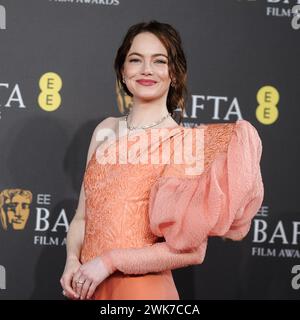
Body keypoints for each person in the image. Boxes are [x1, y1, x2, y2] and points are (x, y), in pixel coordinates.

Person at [60, 20, 264, 300]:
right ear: (123, 71)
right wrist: (73, 260)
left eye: (159, 61)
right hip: (88, 287)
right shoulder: (105, 130)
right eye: (135, 60)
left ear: (175, 74)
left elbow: (191, 250)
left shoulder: (185, 144)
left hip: (143, 291)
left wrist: (107, 263)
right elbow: (82, 218)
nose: (146, 70)